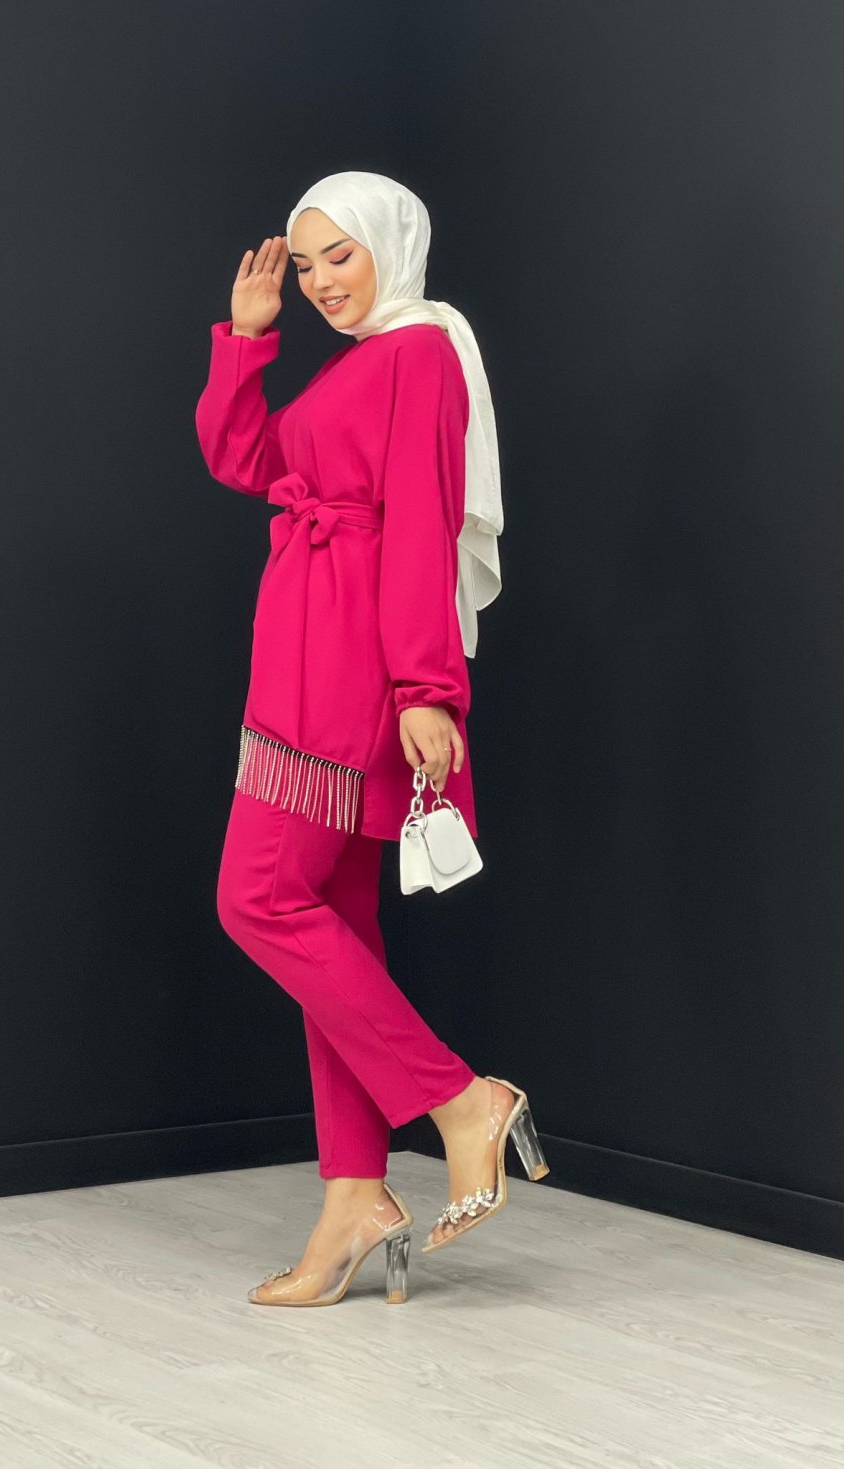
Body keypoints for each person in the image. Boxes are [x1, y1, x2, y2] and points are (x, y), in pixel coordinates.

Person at [194, 171, 547, 1307]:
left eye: (336, 255)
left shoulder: (423, 351)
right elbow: (247, 462)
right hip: (303, 652)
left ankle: (461, 1100)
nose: (317, 282)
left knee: (258, 896)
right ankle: (354, 1193)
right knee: (333, 919)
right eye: (303, 265)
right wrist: (246, 343)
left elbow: (422, 522)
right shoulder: (354, 364)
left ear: (392, 244)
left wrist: (426, 686)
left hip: (351, 667)